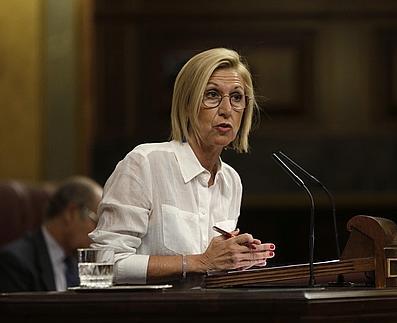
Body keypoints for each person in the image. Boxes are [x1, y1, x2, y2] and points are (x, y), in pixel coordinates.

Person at [89, 48, 275, 285]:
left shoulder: (231, 181)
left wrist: (236, 260)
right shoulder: (145, 163)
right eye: (212, 95)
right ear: (187, 104)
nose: (227, 110)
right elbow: (100, 266)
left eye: (237, 97)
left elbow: (210, 268)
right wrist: (200, 262)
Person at [0, 176, 103, 292]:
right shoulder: (15, 263)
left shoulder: (80, 263)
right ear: (71, 213)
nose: (99, 233)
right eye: (97, 222)